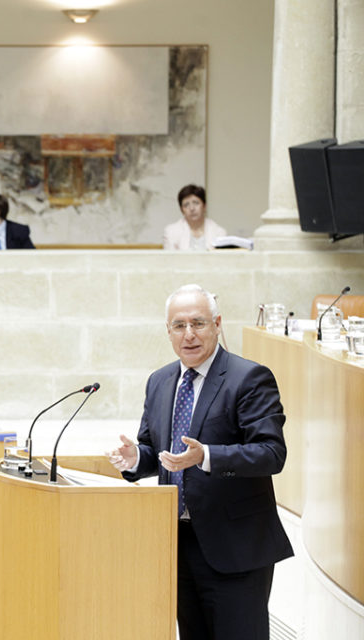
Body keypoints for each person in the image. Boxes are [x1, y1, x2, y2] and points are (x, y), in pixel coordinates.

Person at [106, 284, 293, 640]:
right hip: (177, 543)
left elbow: (271, 453)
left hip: (235, 546)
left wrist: (206, 456)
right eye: (179, 325)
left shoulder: (249, 377)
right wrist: (136, 460)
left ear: (217, 324)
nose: (188, 335)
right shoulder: (160, 381)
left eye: (198, 323)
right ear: (168, 331)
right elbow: (157, 452)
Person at [163, 184, 227, 251]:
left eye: (196, 203)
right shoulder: (171, 232)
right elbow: (169, 260)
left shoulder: (219, 232)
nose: (192, 208)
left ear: (204, 206)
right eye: (186, 205)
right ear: (182, 210)